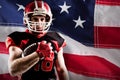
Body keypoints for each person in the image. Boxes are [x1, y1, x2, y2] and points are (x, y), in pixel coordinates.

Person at [5, 0, 69, 80]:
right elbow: (13, 70)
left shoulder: (55, 39)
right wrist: (38, 54)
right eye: (35, 19)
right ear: (26, 20)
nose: (39, 23)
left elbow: (61, 70)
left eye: (42, 19)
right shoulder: (18, 38)